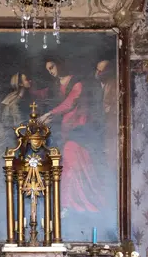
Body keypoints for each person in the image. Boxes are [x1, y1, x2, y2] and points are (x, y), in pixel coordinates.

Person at [39, 57, 104, 213]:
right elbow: (43, 95)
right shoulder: (56, 85)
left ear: (60, 63)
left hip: (80, 129)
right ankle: (67, 204)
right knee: (65, 164)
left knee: (74, 161)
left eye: (52, 66)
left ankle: (77, 203)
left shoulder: (77, 82)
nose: (51, 71)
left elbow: (71, 102)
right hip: (66, 131)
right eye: (48, 69)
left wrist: (50, 113)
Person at [95, 59, 117, 169]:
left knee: (110, 150)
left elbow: (116, 105)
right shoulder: (94, 85)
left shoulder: (114, 84)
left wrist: (108, 109)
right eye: (97, 70)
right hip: (99, 124)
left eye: (101, 71)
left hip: (110, 124)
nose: (98, 73)